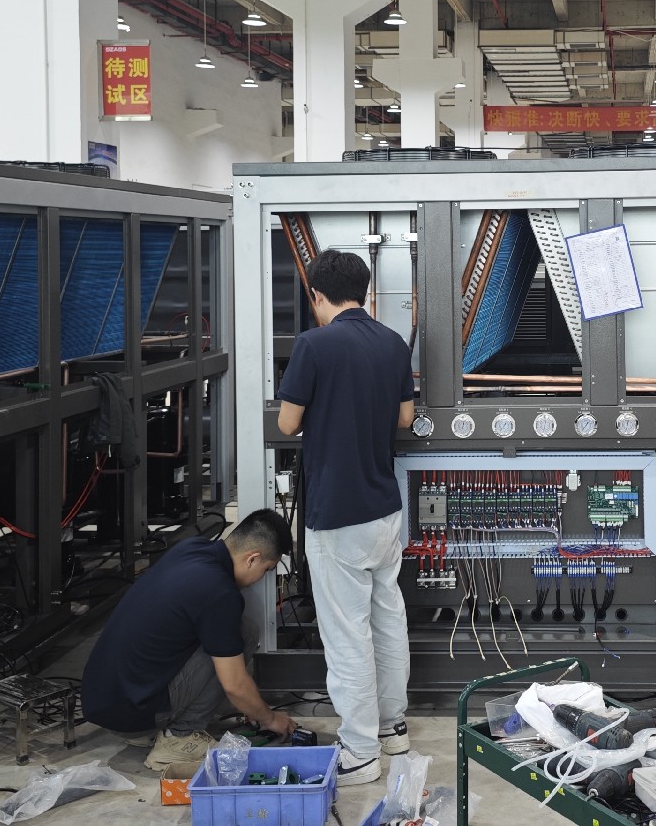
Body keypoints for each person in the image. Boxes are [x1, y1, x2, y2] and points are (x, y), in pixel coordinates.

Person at [277, 249, 416, 787]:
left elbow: (288, 424)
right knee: (387, 618)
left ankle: (359, 751)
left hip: (337, 512)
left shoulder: (313, 344)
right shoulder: (392, 342)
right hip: (384, 508)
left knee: (346, 635)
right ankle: (392, 728)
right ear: (365, 290)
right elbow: (404, 416)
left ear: (316, 294)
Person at [81, 509, 299, 770]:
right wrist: (269, 718)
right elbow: (234, 685)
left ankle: (156, 726)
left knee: (235, 631)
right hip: (130, 714)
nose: (262, 578)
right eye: (266, 570)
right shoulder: (220, 593)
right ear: (252, 559)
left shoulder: (191, 548)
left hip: (105, 699)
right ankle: (179, 738)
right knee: (243, 635)